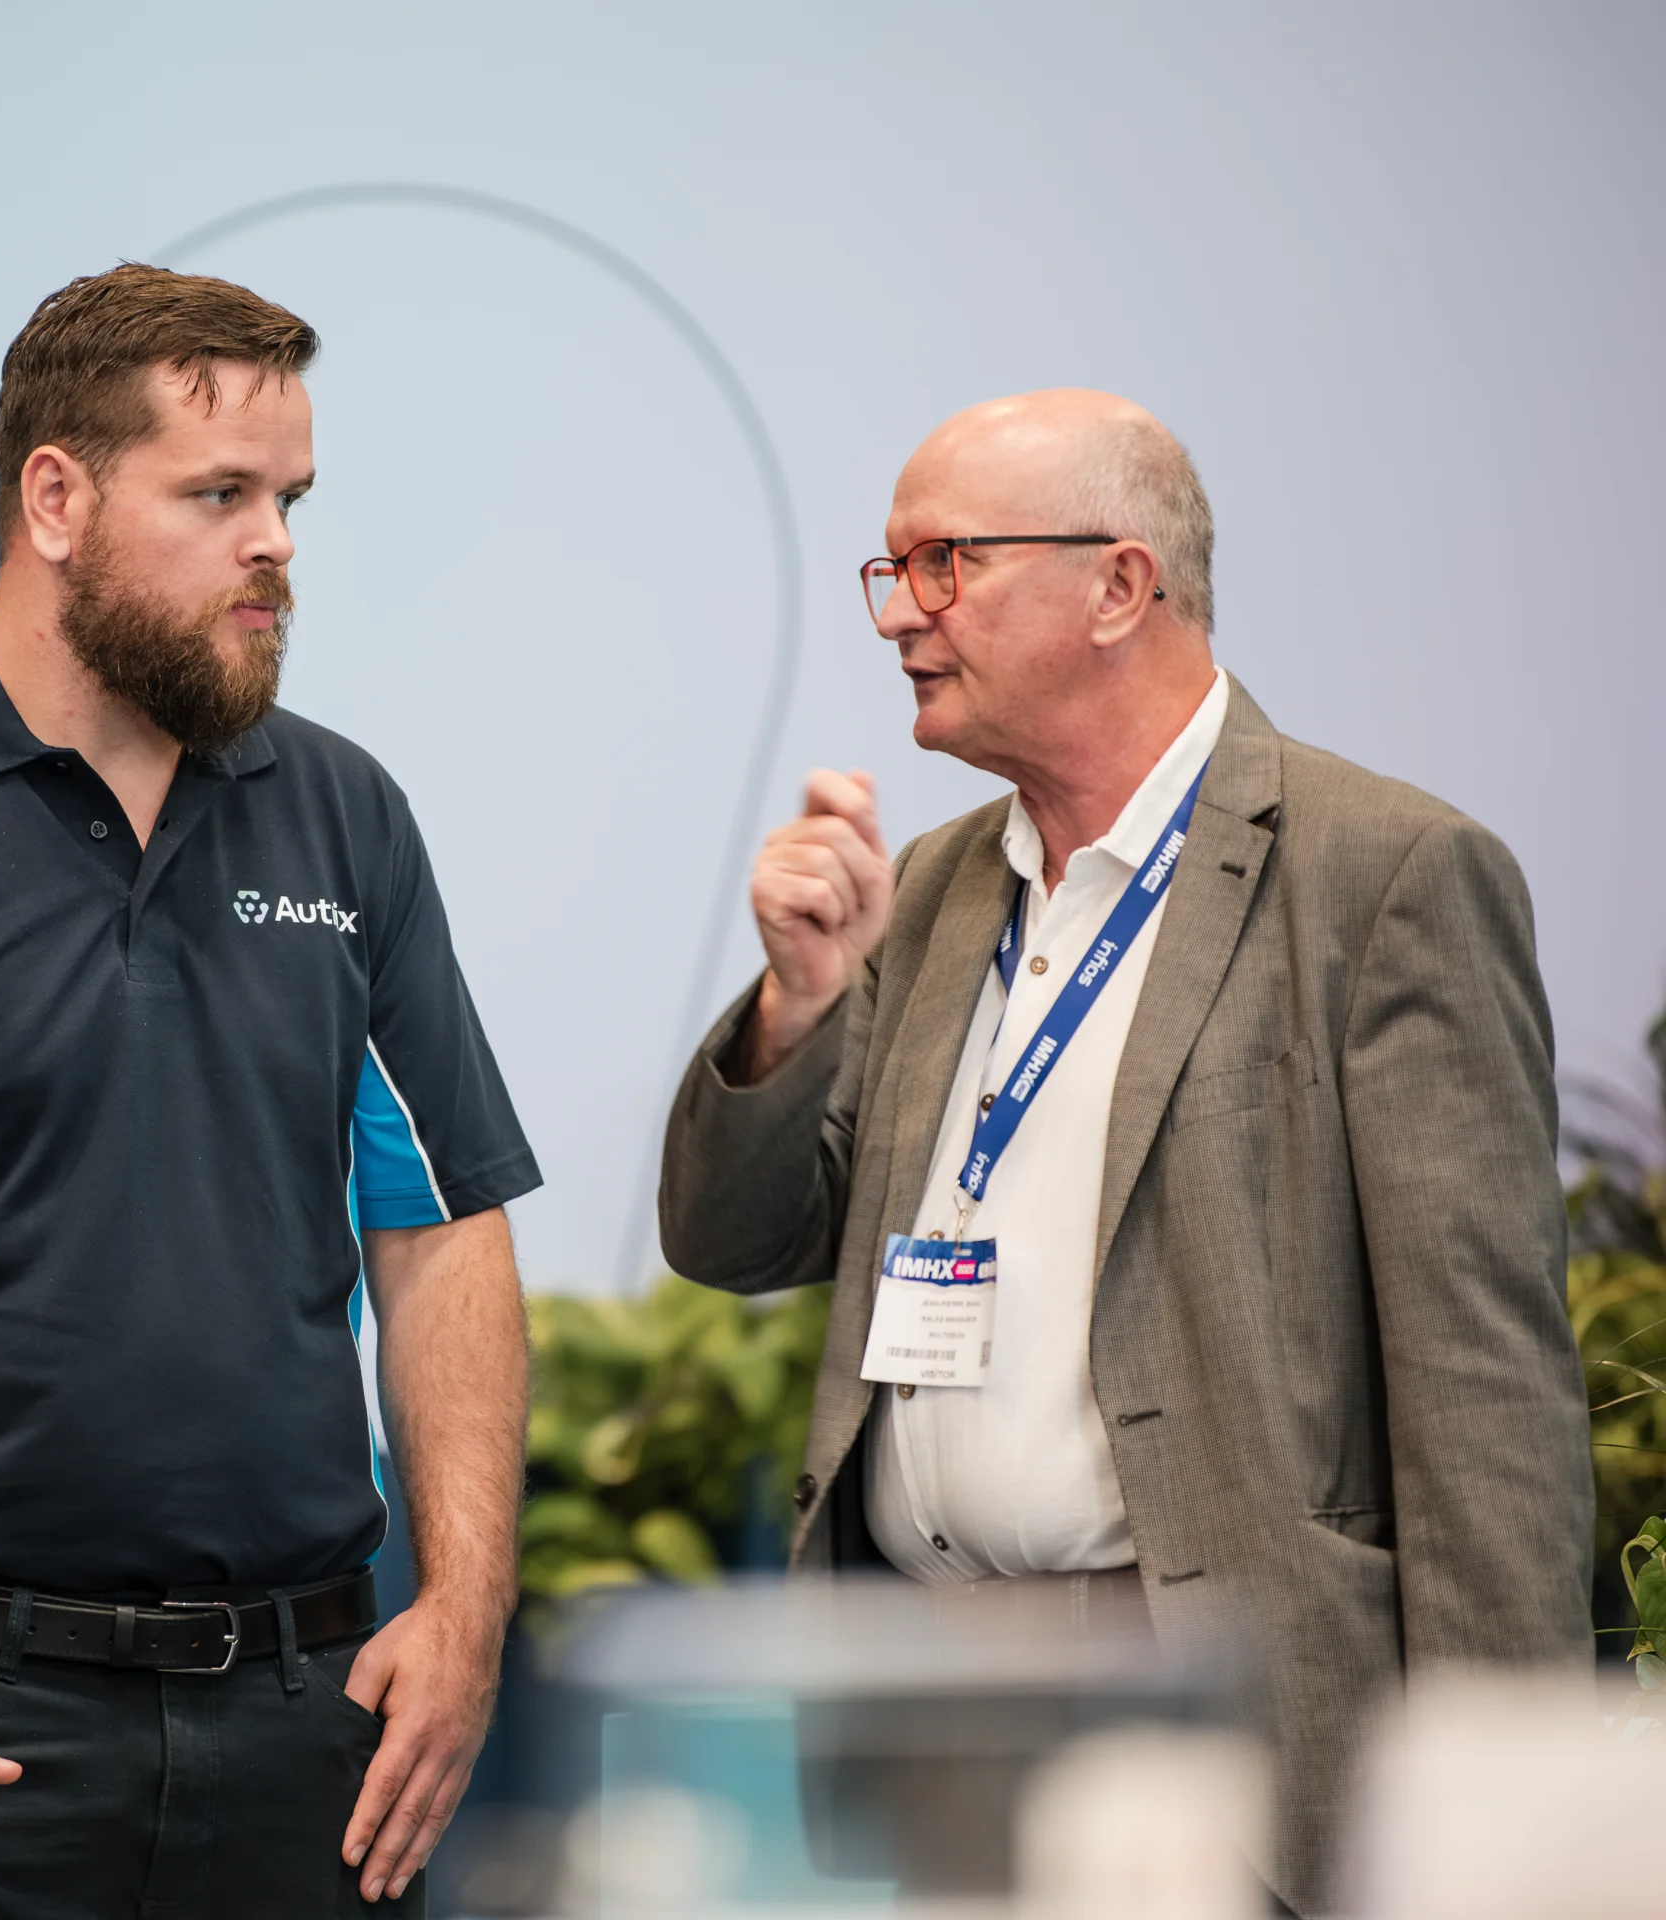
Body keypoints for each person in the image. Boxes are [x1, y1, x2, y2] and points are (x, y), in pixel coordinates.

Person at [656, 389, 1592, 1913]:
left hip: (1220, 1707)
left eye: (945, 563)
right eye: (893, 571)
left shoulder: (1385, 878)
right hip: (936, 1697)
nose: (898, 615)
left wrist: (1509, 1838)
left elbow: (1481, 1395)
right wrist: (796, 1006)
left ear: (1118, 584)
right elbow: (732, 1241)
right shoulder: (933, 891)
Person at [0, 263, 541, 1916]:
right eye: (220, 495)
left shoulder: (345, 817)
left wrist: (468, 1608)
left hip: (313, 1725)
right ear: (55, 499)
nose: (277, 544)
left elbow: (440, 1227)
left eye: (290, 500)